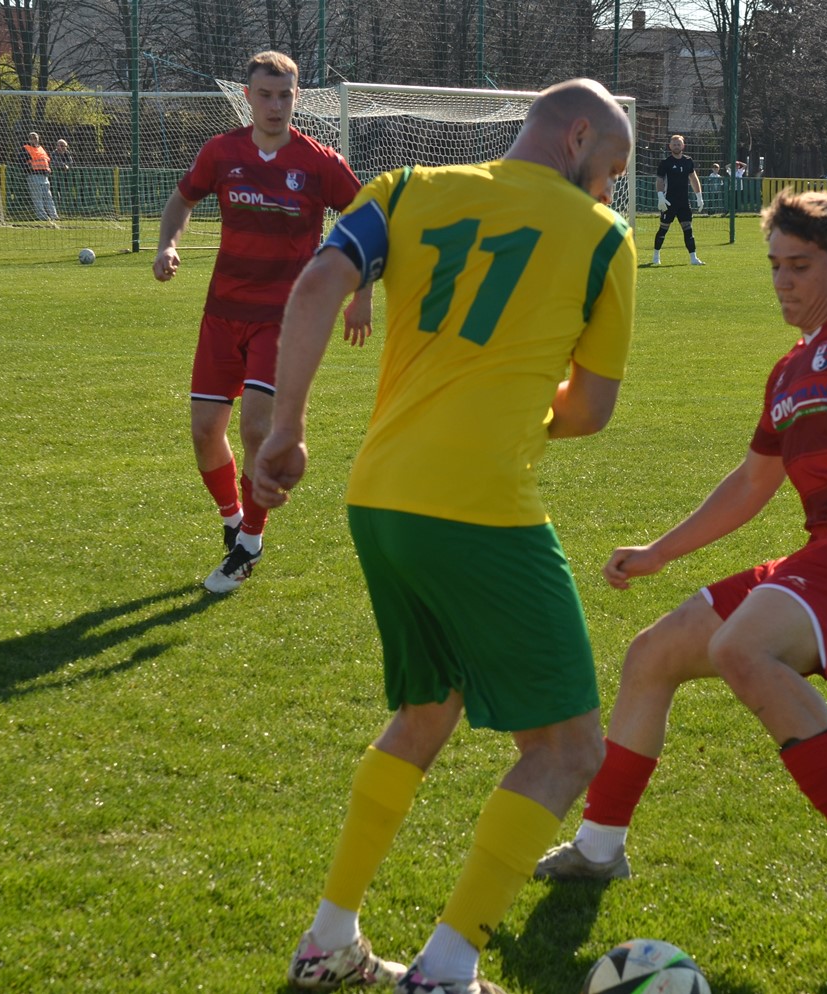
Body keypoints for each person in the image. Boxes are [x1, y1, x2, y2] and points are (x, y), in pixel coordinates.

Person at [534, 189, 827, 963]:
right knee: (651, 656)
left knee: (740, 649)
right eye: (775, 266)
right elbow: (753, 484)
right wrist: (659, 552)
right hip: (824, 555)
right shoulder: (789, 370)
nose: (784, 282)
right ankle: (598, 847)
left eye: (801, 266)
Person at [251, 78, 636, 994]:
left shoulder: (406, 188)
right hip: (481, 508)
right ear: (578, 136)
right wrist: (514, 409)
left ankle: (328, 941)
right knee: (569, 752)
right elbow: (592, 409)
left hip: (380, 499)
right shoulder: (602, 238)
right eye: (611, 170)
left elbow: (318, 282)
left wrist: (285, 427)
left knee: (428, 711)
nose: (610, 190)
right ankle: (447, 968)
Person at [152, 50, 371, 594]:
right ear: (247, 96)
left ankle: (250, 543)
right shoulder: (221, 152)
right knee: (205, 432)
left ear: (298, 98)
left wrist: (361, 294)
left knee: (256, 428)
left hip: (283, 318)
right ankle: (234, 522)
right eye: (265, 95)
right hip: (222, 314)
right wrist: (167, 245)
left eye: (285, 96)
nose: (275, 105)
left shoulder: (318, 162)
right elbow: (181, 200)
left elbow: (369, 218)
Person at [653, 134, 704, 266]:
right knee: (663, 229)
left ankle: (693, 258)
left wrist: (699, 196)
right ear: (670, 146)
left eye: (679, 144)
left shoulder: (688, 161)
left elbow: (693, 178)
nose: (676, 146)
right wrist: (660, 196)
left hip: (684, 203)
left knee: (688, 230)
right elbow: (659, 180)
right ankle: (656, 256)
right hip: (669, 202)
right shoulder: (665, 163)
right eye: (674, 144)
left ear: (683, 146)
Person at [19, 131, 58, 223]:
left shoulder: (41, 148)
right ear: (29, 139)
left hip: (44, 175)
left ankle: (53, 215)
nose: (34, 140)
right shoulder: (25, 148)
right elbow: (21, 161)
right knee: (37, 197)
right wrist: (29, 169)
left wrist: (48, 168)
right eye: (32, 138)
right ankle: (42, 216)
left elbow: (46, 160)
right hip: (34, 175)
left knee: (48, 196)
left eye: (35, 138)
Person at [51, 139, 75, 215]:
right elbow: (54, 162)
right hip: (55, 177)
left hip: (66, 177)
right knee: (56, 191)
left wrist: (66, 165)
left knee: (66, 191)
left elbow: (71, 162)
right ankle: (57, 207)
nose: (61, 147)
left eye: (63, 146)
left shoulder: (67, 153)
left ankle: (67, 206)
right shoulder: (54, 153)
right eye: (59, 145)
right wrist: (63, 165)